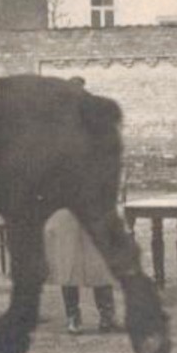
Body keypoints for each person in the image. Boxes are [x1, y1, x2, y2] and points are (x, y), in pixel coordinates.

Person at [43, 78, 120, 334]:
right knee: (67, 263)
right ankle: (73, 317)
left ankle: (107, 317)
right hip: (64, 208)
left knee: (100, 261)